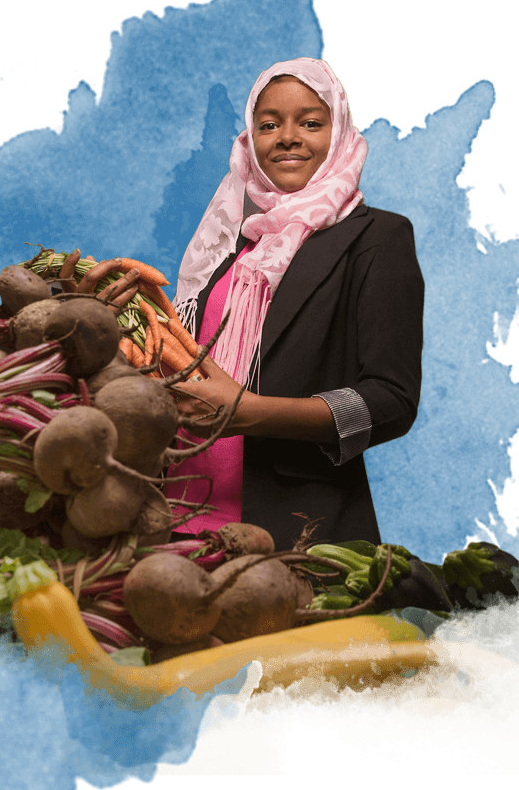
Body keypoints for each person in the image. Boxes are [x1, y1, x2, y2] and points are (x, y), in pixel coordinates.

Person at [165, 57, 424, 552]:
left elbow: (392, 402)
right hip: (174, 523)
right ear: (249, 141)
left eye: (310, 121)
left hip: (293, 530)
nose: (286, 137)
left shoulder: (377, 237)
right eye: (268, 124)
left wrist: (253, 412)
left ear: (341, 132)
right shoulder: (225, 251)